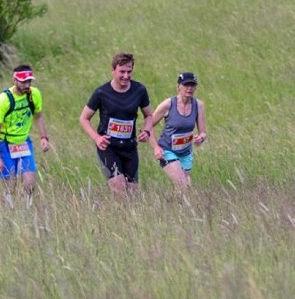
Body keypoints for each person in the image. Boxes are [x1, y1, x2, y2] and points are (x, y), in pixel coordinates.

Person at [80, 53, 154, 198]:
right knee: (120, 190)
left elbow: (149, 115)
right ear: (113, 70)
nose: (126, 76)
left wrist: (146, 130)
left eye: (129, 72)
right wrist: (97, 138)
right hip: (108, 147)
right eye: (122, 72)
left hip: (130, 147)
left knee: (132, 195)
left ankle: (127, 220)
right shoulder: (102, 93)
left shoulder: (139, 90)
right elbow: (84, 118)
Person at [0, 65, 50, 202]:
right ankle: (8, 212)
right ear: (14, 80)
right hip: (5, 144)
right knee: (10, 185)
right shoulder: (3, 100)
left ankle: (25, 211)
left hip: (24, 143)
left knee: (30, 183)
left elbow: (38, 116)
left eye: (29, 81)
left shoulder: (34, 94)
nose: (27, 85)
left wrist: (44, 137)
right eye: (23, 82)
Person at [148, 72, 208, 191]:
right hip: (167, 150)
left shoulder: (198, 105)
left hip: (186, 152)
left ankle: (173, 207)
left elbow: (203, 132)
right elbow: (148, 126)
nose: (189, 88)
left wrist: (201, 138)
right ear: (178, 87)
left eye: (192, 85)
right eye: (186, 85)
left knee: (186, 188)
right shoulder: (168, 104)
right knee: (182, 185)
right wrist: (156, 147)